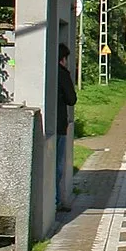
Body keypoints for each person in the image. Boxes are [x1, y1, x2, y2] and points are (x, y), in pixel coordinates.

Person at [56, 42, 78, 211]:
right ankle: (56, 201)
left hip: (49, 125)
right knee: (58, 165)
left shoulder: (47, 70)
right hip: (59, 124)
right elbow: (72, 99)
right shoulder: (62, 74)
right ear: (63, 59)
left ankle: (55, 201)